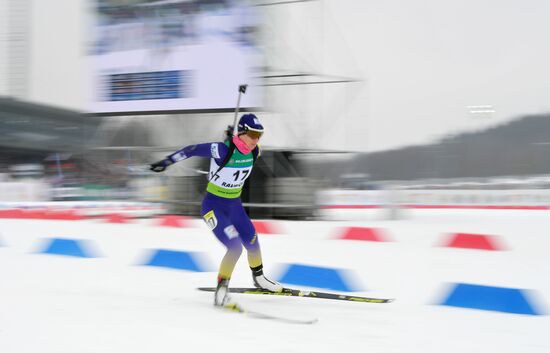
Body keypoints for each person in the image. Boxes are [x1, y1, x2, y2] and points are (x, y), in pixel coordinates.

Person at [150, 114, 283, 306]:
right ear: (243, 132)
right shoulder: (222, 149)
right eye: (252, 134)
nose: (256, 139)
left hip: (234, 205)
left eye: (259, 135)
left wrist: (234, 138)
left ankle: (259, 278)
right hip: (214, 207)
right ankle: (221, 289)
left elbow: (243, 147)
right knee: (235, 246)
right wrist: (167, 162)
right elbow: (192, 150)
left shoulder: (255, 151)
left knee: (252, 240)